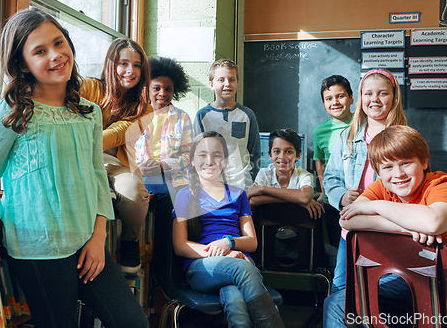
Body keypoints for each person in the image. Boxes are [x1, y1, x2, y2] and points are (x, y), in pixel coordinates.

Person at [0, 8, 148, 327]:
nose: (56, 55)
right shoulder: (11, 112)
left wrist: (98, 236)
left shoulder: (89, 113)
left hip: (89, 243)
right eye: (40, 51)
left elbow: (98, 177)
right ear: (22, 64)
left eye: (59, 43)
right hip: (37, 249)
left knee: (132, 321)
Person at [324, 125, 447, 328]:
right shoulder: (381, 187)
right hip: (408, 278)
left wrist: (376, 205)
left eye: (406, 163)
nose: (398, 174)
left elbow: (433, 222)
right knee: (337, 304)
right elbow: (346, 220)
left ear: (424, 162)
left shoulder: (443, 186)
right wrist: (405, 229)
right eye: (388, 167)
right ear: (379, 171)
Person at [172, 131, 285, 328]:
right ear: (192, 160)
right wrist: (222, 252)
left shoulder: (238, 194)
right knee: (241, 268)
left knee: (234, 297)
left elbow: (252, 242)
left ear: (223, 161)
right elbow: (180, 246)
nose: (210, 160)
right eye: (202, 155)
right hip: (202, 266)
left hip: (239, 259)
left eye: (216, 155)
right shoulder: (185, 195)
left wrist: (229, 243)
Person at [323, 69, 407, 294]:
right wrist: (341, 195)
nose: (375, 100)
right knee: (341, 288)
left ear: (394, 97)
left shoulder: (404, 139)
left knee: (381, 290)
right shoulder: (348, 137)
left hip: (387, 230)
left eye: (383, 93)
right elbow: (331, 177)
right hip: (350, 231)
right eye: (368, 93)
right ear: (360, 98)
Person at [81, 38, 152, 273]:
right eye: (123, 63)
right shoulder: (90, 87)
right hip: (78, 157)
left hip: (113, 163)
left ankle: (130, 240)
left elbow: (120, 132)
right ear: (111, 64)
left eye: (137, 65)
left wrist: (90, 139)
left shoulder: (146, 107)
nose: (130, 71)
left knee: (135, 191)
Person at [135, 56, 192, 280]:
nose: (162, 93)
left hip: (171, 178)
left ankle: (164, 272)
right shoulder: (135, 115)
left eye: (168, 89)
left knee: (167, 199)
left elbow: (188, 156)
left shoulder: (182, 118)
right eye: (157, 88)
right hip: (140, 177)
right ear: (147, 88)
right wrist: (142, 167)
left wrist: (161, 165)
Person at [193, 59, 260, 190]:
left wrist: (252, 181)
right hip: (212, 186)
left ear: (237, 83)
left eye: (232, 79)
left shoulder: (247, 115)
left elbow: (255, 152)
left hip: (242, 185)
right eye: (221, 80)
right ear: (211, 84)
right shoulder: (202, 116)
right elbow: (198, 154)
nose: (227, 84)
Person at [312, 75, 353, 248]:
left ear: (351, 98)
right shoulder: (320, 131)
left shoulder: (364, 124)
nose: (334, 102)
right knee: (339, 248)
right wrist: (323, 190)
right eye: (329, 98)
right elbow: (319, 161)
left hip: (360, 197)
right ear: (323, 103)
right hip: (333, 201)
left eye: (340, 96)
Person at [248, 128, 323, 219]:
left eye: (288, 151)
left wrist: (263, 189)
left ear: (298, 155)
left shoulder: (305, 175)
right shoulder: (264, 173)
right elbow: (253, 200)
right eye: (277, 151)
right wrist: (297, 200)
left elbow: (304, 196)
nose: (282, 156)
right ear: (270, 155)